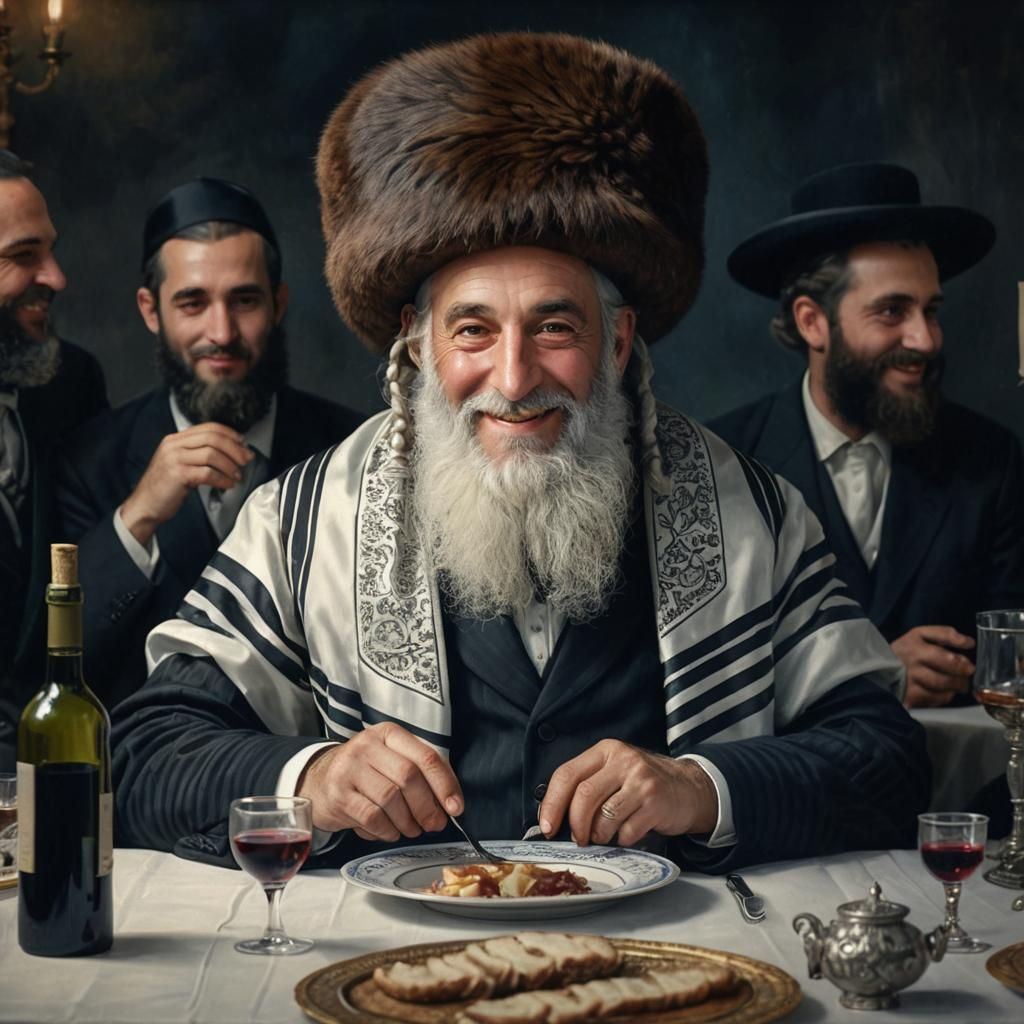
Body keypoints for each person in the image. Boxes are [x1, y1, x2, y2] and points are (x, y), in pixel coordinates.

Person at [112, 34, 928, 872]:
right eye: (473, 329)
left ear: (618, 342)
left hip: (676, 945)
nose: (513, 377)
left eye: (554, 326)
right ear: (418, 343)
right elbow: (146, 752)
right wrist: (312, 779)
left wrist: (701, 788)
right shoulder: (306, 520)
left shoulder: (752, 511)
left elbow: (889, 760)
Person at [711, 162, 1024, 709]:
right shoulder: (725, 464)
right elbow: (710, 671)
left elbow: (1011, 657)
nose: (925, 340)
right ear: (812, 322)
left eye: (930, 311)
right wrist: (876, 669)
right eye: (892, 311)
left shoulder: (990, 460)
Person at [56, 178, 364, 707]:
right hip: (140, 756)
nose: (221, 332)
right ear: (151, 310)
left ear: (278, 303)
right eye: (193, 303)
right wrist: (137, 518)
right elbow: (59, 660)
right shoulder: (88, 461)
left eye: (244, 300)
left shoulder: (350, 451)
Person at [0, 150, 108, 770]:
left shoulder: (72, 384)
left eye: (51, 250)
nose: (56, 277)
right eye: (23, 255)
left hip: (58, 774)